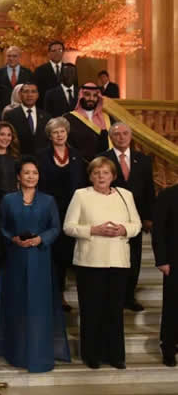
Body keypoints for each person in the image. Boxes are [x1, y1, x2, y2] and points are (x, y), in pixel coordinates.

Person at [0, 156, 70, 373]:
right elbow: (1, 226)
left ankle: (39, 354)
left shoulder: (48, 200)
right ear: (18, 176)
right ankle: (17, 353)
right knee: (16, 305)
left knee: (38, 307)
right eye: (26, 173)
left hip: (40, 259)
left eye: (34, 173)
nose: (31, 176)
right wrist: (12, 239)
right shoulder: (8, 200)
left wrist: (41, 239)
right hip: (15, 259)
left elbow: (55, 227)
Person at [63, 156, 141, 369]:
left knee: (114, 311)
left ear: (113, 176)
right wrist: (93, 230)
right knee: (91, 310)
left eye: (105, 172)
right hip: (90, 262)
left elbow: (136, 225)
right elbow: (68, 226)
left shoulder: (125, 195)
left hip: (118, 261)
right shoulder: (81, 195)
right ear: (90, 176)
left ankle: (116, 356)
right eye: (96, 173)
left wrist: (123, 229)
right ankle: (92, 355)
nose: (101, 176)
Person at [101, 122, 155, 312]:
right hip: (111, 216)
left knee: (134, 258)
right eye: (117, 134)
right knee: (113, 259)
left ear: (130, 136)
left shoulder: (143, 160)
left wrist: (148, 217)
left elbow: (149, 189)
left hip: (136, 219)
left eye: (125, 133)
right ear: (111, 137)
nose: (121, 137)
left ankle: (129, 297)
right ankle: (112, 297)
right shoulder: (102, 159)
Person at [37, 117, 86, 311]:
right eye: (55, 132)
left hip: (72, 211)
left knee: (67, 255)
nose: (59, 135)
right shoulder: (41, 156)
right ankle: (54, 296)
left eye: (62, 131)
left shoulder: (77, 156)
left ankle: (69, 295)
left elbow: (82, 183)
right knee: (53, 256)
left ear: (67, 133)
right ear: (49, 136)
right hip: (48, 211)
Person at [152, 184, 178, 367]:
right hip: (174, 261)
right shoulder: (168, 195)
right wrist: (161, 260)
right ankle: (168, 347)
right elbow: (159, 230)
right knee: (173, 305)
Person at [64, 83, 111, 163]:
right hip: (78, 164)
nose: (91, 98)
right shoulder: (69, 118)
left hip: (102, 165)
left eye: (95, 96)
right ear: (81, 96)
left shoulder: (106, 118)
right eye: (87, 95)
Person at [2, 83, 51, 155]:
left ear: (37, 95)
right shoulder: (10, 115)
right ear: (20, 94)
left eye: (33, 92)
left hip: (41, 159)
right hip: (18, 157)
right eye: (26, 91)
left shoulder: (46, 116)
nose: (30, 95)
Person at [33, 41, 65, 107]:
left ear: (63, 52)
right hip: (45, 107)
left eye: (60, 50)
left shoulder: (70, 69)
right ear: (49, 53)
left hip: (66, 108)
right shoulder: (40, 71)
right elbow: (36, 92)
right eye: (54, 51)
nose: (57, 53)